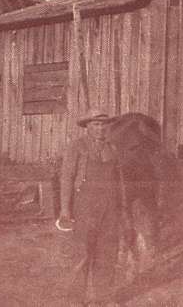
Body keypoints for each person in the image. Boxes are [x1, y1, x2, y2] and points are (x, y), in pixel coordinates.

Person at [58, 110, 121, 303]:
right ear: (87, 126)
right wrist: (65, 209)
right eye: (95, 124)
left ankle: (103, 299)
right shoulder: (76, 147)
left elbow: (120, 181)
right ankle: (76, 300)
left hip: (109, 208)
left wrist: (122, 208)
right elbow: (67, 178)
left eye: (103, 125)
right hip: (84, 205)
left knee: (107, 253)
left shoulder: (113, 148)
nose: (100, 128)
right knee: (82, 253)